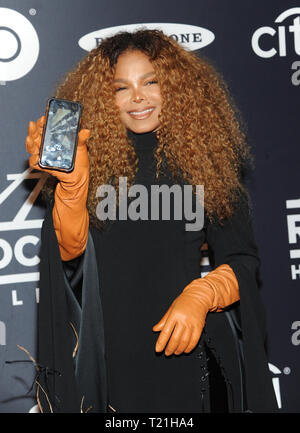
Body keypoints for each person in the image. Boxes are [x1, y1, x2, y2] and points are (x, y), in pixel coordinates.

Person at [26, 29, 277, 413]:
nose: (138, 97)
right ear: (104, 98)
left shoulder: (207, 162)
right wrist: (73, 186)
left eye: (151, 82)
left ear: (176, 87)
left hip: (193, 357)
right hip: (107, 366)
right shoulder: (85, 159)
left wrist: (202, 295)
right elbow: (69, 253)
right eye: (120, 88)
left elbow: (242, 259)